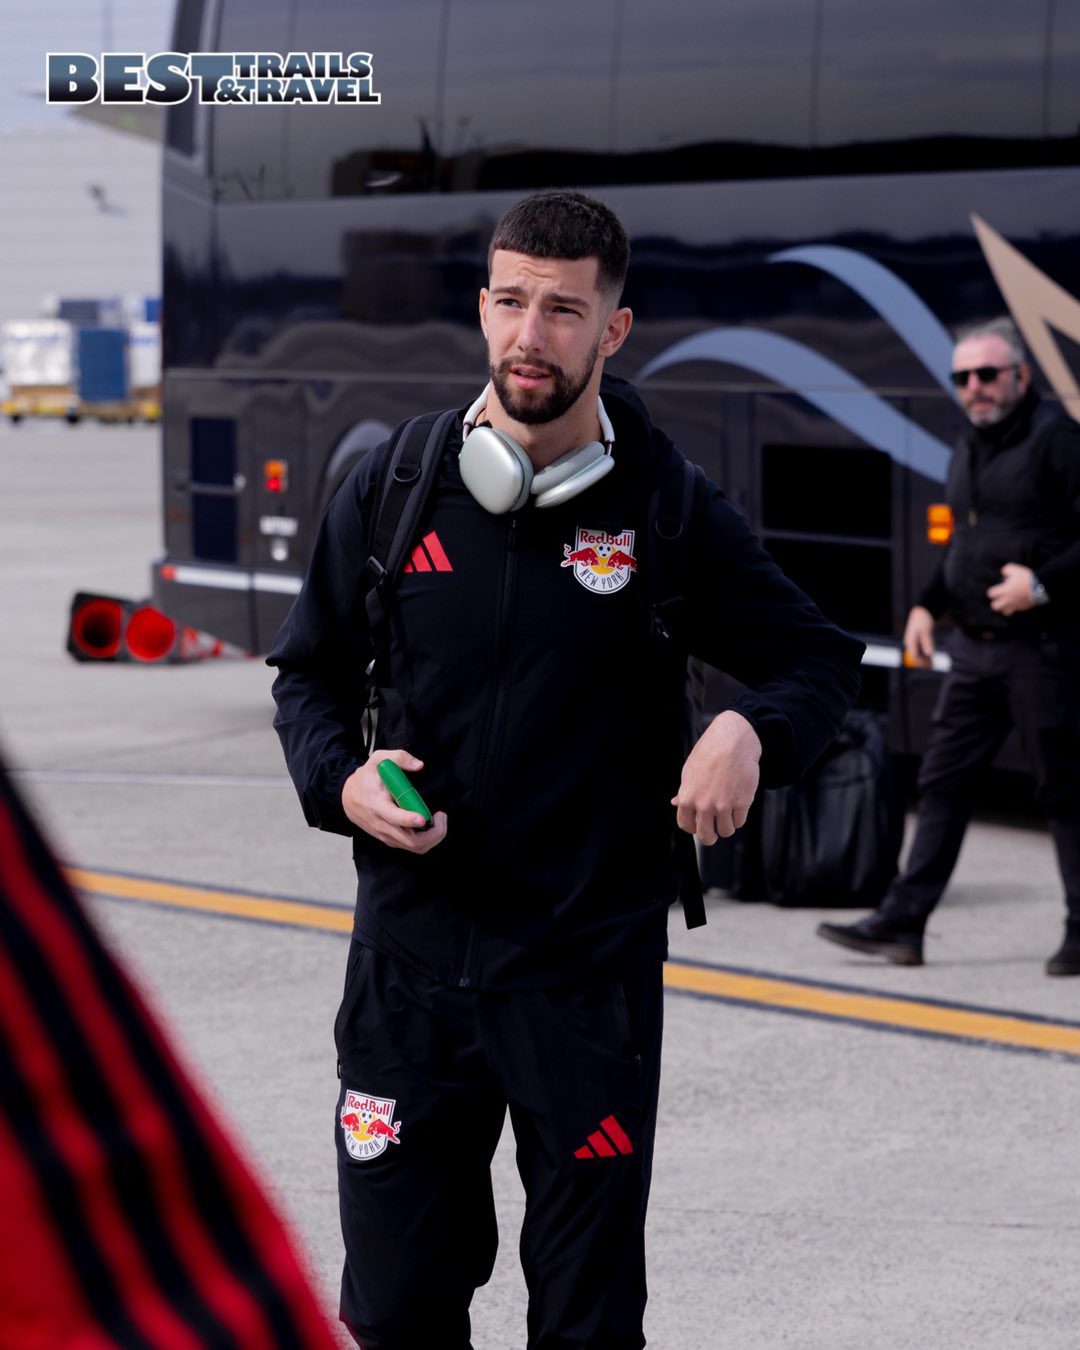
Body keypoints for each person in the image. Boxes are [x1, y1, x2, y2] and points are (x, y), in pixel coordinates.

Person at [268, 189, 863, 1349]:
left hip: (587, 979)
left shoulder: (666, 507)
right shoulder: (395, 484)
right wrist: (340, 782)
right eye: (510, 302)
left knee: (588, 1323)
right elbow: (307, 676)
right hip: (408, 972)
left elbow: (818, 659)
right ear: (482, 308)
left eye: (562, 309)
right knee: (394, 1310)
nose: (528, 335)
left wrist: (750, 728)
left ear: (613, 329)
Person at [817, 317, 1080, 977]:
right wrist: (924, 604)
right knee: (942, 781)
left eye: (987, 374)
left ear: (1021, 375)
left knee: (1065, 791)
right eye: (962, 377)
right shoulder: (969, 443)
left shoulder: (1056, 439)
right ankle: (904, 924)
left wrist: (1042, 585)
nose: (974, 387)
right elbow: (965, 540)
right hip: (975, 650)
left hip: (1043, 649)